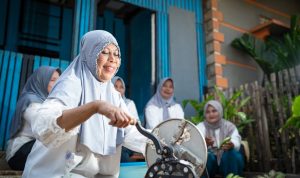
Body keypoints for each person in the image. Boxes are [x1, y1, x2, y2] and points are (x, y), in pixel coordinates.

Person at [22, 30, 147, 178]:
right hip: (57, 174)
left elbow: (131, 132)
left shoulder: (114, 96)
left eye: (117, 54)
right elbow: (44, 124)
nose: (113, 59)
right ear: (89, 54)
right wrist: (95, 107)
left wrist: (168, 140)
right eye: (105, 52)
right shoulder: (71, 83)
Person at [6, 66, 61, 170]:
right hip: (18, 154)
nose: (57, 84)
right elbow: (45, 127)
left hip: (34, 149)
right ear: (41, 81)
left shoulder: (48, 102)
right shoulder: (31, 102)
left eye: (59, 80)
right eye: (53, 80)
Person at [196, 100, 244, 178]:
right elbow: (195, 143)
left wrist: (232, 144)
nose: (211, 114)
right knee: (207, 156)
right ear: (205, 114)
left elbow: (236, 139)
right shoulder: (201, 127)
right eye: (208, 112)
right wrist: (204, 143)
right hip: (211, 163)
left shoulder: (229, 126)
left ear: (220, 111)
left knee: (231, 155)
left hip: (226, 161)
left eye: (214, 111)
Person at [112, 76, 141, 163]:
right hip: (109, 141)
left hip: (127, 140)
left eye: (121, 87)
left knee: (122, 153)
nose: (118, 89)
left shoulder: (129, 103)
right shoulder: (105, 104)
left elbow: (135, 125)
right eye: (115, 86)